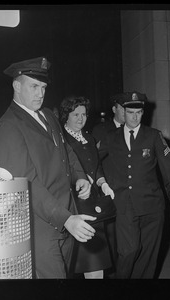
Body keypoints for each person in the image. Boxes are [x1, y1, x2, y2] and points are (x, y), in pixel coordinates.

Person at [0, 57, 95, 279]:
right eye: (34, 86)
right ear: (16, 86)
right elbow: (26, 183)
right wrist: (65, 219)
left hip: (66, 217)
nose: (40, 93)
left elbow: (65, 149)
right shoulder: (8, 127)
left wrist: (79, 176)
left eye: (44, 87)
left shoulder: (48, 115)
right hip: (40, 226)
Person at [98, 91, 170, 279]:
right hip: (124, 204)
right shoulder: (111, 137)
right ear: (123, 112)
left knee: (148, 255)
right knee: (128, 251)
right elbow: (94, 161)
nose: (134, 116)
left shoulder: (154, 136)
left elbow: (169, 165)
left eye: (138, 112)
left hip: (152, 205)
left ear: (143, 113)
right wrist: (100, 180)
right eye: (130, 112)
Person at [59, 96, 115, 279]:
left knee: (95, 259)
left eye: (83, 114)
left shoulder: (89, 138)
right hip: (73, 206)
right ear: (66, 116)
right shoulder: (60, 139)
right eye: (76, 114)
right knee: (71, 262)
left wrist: (102, 183)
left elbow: (96, 166)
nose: (80, 118)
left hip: (92, 205)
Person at [91, 93, 126, 277]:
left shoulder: (134, 129)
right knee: (112, 239)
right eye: (122, 107)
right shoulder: (101, 130)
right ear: (114, 109)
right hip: (109, 192)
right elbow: (94, 161)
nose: (127, 111)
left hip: (129, 193)